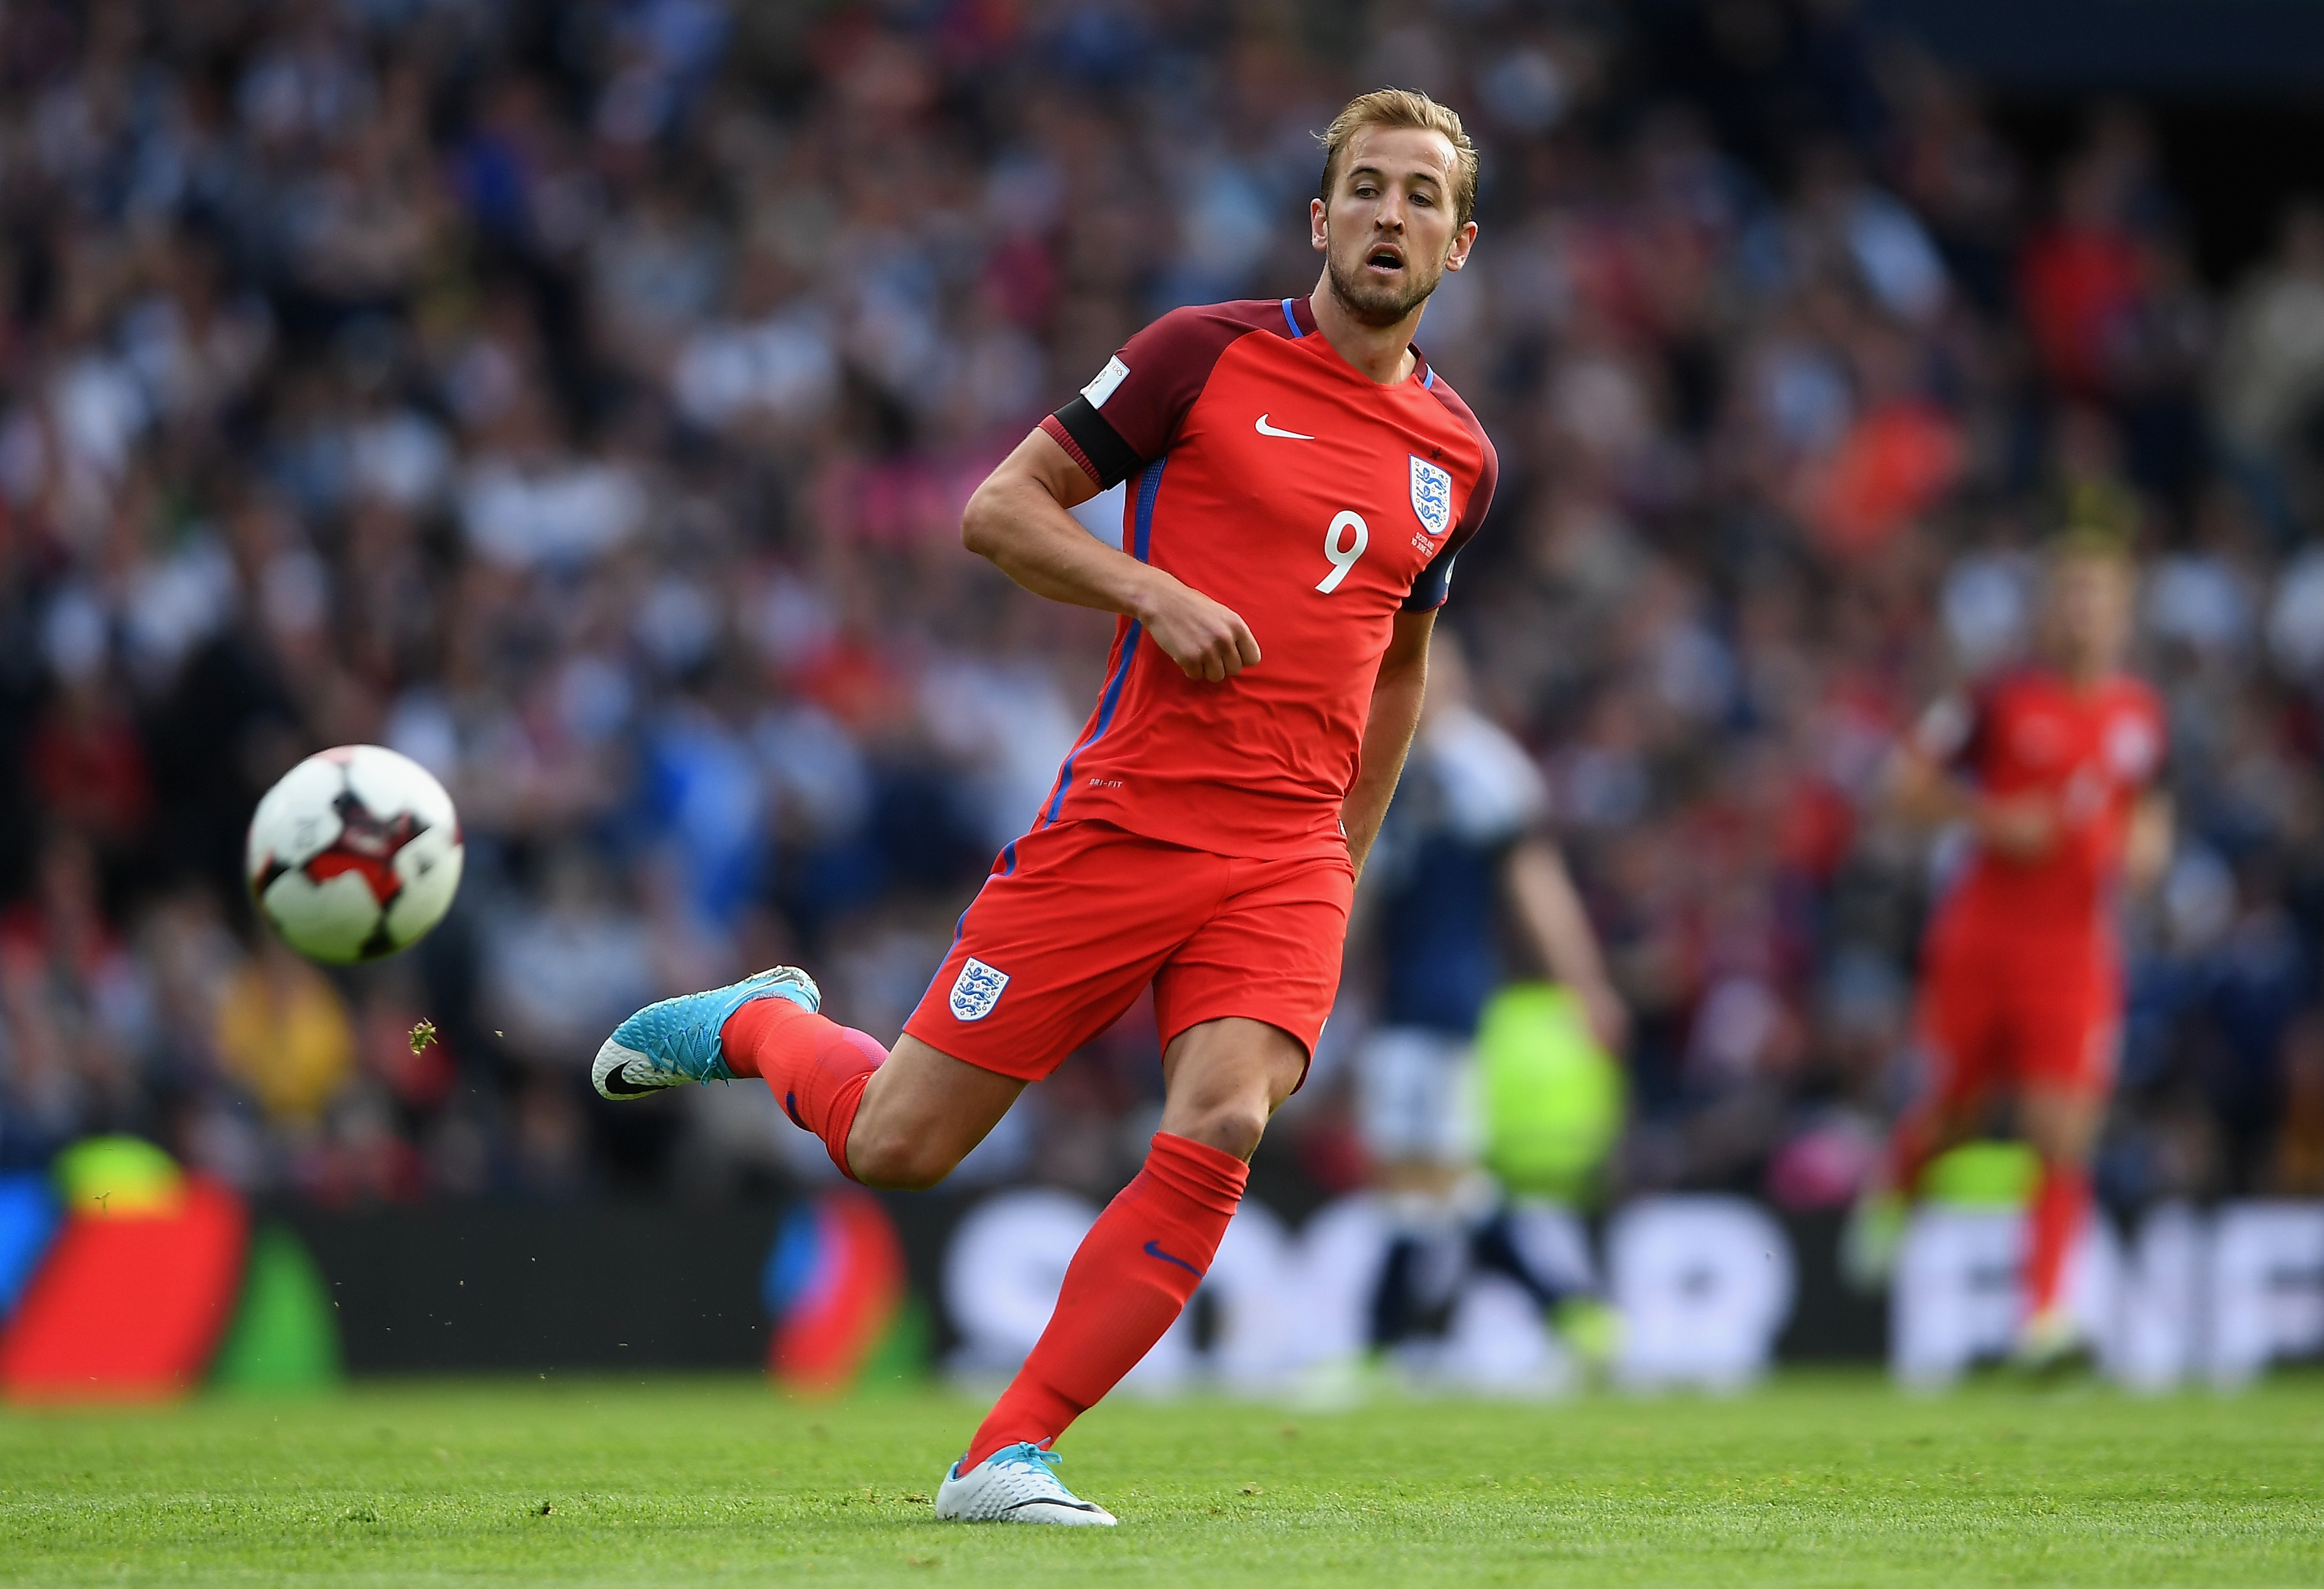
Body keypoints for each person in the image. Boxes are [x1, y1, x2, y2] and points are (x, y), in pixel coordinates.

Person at [593, 89, 1495, 1524]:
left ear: (1458, 241)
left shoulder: (1459, 457)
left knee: (1225, 1117)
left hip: (1284, 859)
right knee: (899, 1145)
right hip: (1127, 821)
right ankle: (763, 1021)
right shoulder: (1196, 357)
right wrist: (1150, 588)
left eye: (1421, 198)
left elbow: (1396, 676)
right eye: (1368, 190)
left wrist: (1340, 858)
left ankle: (1005, 1452)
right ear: (1321, 221)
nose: (1392, 216)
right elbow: (998, 510)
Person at [1846, 533, 2171, 1364]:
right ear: (2046, 608)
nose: (2081, 612)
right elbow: (1900, 782)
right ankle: (1899, 1185)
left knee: (2059, 1129)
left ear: (2122, 612)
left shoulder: (2138, 713)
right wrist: (1989, 819)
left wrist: (2146, 854)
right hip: (1982, 940)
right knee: (1953, 1117)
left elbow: (2147, 806)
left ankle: (2043, 1319)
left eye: (2097, 596)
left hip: (2074, 951)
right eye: (2068, 594)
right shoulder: (1995, 701)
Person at [1352, 638, 1627, 1375]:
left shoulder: (1484, 767)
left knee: (1427, 1174)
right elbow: (1361, 891)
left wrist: (1585, 985)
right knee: (1432, 1179)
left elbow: (1537, 891)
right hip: (1396, 997)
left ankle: (1384, 1342)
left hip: (1451, 995)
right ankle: (1563, 1310)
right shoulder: (1379, 754)